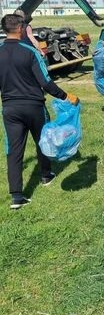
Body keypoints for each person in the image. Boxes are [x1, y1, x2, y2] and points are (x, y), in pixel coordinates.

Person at [0, 13, 79, 209]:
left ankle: (17, 196)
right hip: (34, 106)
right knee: (43, 140)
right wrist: (66, 96)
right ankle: (45, 175)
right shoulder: (30, 51)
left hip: (10, 108)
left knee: (13, 150)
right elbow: (45, 82)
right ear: (20, 29)